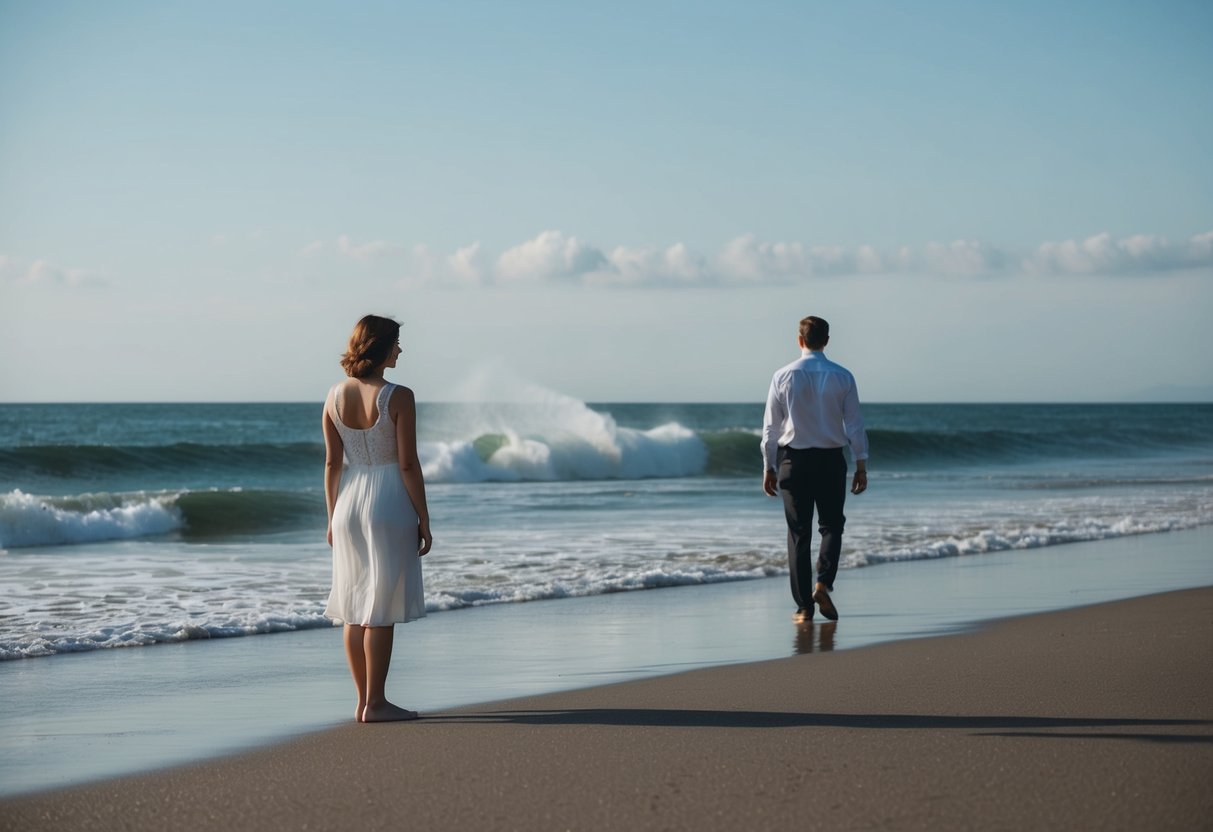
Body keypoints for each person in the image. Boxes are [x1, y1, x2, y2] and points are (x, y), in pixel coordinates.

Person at [322, 314, 433, 722]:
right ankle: (378, 702)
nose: (400, 350)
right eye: (397, 343)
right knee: (380, 606)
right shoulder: (398, 396)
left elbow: (333, 464)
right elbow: (407, 464)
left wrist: (332, 516)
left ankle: (362, 702)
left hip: (349, 502)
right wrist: (423, 516)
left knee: (354, 604)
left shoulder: (333, 397)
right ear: (381, 347)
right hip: (388, 502)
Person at [761, 316, 868, 623]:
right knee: (832, 526)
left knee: (799, 534)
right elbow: (855, 424)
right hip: (831, 460)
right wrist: (861, 462)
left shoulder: (782, 376)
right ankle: (822, 583)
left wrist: (768, 467)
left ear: (800, 340)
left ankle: (804, 607)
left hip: (793, 462)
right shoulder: (843, 376)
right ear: (827, 340)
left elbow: (771, 429)